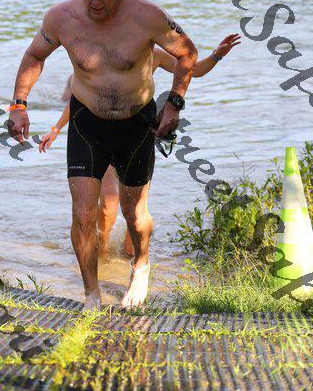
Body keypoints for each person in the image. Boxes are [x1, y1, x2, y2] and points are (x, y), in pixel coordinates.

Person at [8, 0, 198, 310]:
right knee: (83, 214)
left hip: (136, 124)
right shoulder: (61, 18)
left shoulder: (148, 16)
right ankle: (91, 294)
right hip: (87, 122)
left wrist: (174, 103)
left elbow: (187, 53)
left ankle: (140, 265)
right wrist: (19, 105)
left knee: (134, 215)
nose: (96, 2)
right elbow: (34, 56)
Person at [39, 34, 241, 257]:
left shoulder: (155, 55)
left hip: (137, 137)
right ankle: (102, 256)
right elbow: (81, 97)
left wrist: (216, 56)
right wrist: (56, 129)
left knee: (135, 210)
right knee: (107, 205)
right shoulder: (105, 56)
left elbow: (194, 69)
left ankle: (133, 259)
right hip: (101, 135)